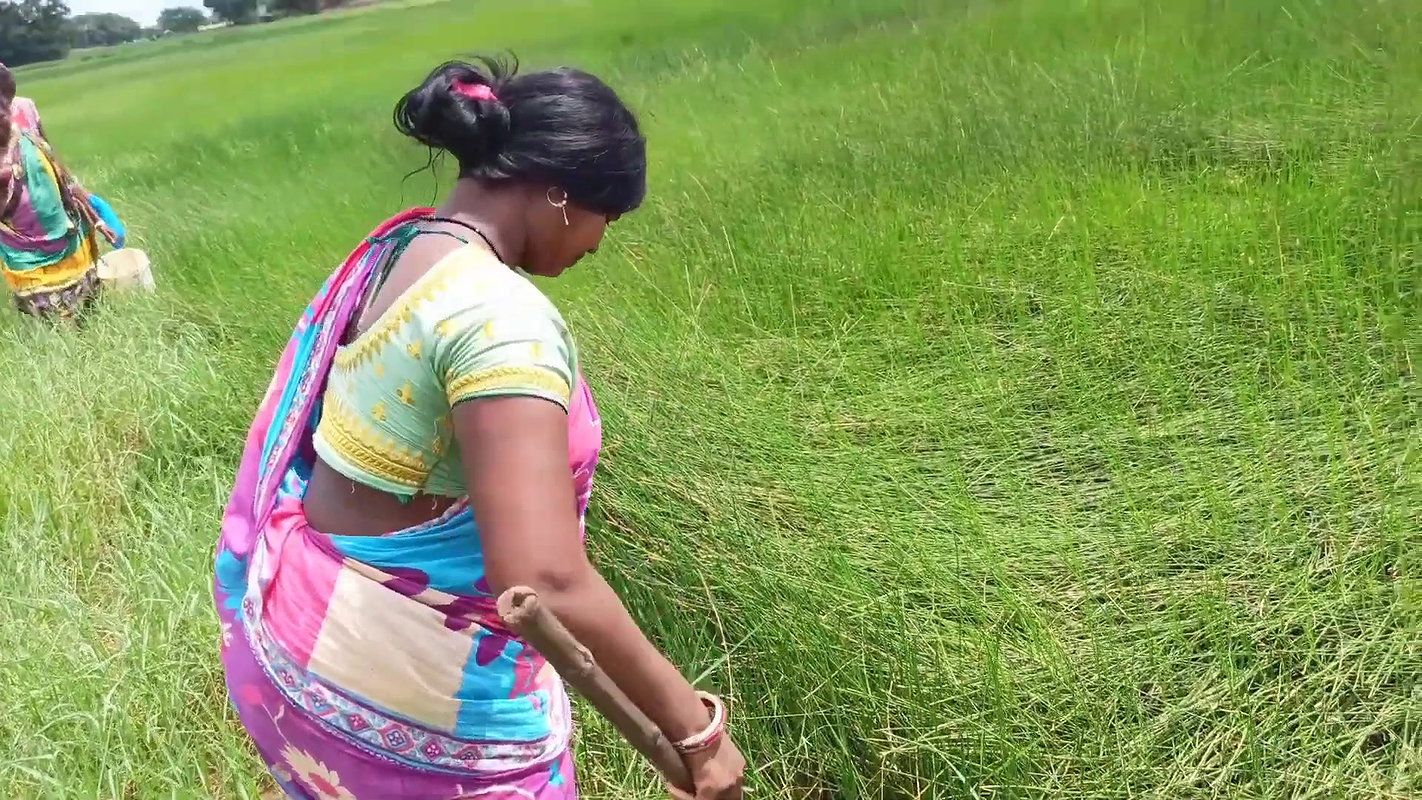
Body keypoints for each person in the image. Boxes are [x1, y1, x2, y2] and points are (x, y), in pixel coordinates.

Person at [213, 56, 748, 800]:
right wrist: (698, 733)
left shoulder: (397, 254)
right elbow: (544, 579)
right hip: (409, 697)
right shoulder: (501, 319)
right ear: (560, 193)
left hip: (300, 648)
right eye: (606, 220)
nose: (597, 245)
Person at [0, 85, 111, 320]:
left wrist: (92, 209)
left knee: (90, 310)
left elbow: (53, 158)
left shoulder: (24, 108)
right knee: (49, 322)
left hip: (68, 233)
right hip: (26, 253)